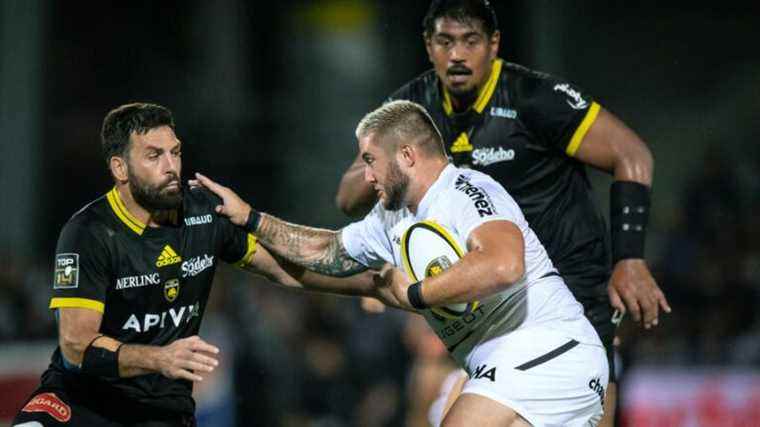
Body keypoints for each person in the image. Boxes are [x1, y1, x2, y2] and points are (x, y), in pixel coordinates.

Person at [334, 1, 671, 424]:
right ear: (428, 46)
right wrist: (377, 160)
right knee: (426, 382)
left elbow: (631, 154)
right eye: (445, 41)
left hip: (568, 288)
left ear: (493, 44)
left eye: (470, 41)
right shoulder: (413, 109)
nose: (457, 55)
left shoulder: (534, 98)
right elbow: (348, 200)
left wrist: (630, 258)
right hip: (478, 287)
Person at [195, 100, 610, 426]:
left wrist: (415, 293)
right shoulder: (390, 217)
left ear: (408, 155)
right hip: (523, 363)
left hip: (548, 349)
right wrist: (251, 221)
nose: (366, 177)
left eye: (370, 161)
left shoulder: (465, 191)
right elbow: (328, 254)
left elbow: (504, 265)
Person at [11, 102, 381, 427]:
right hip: (81, 404)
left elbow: (283, 268)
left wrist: (367, 284)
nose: (172, 166)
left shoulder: (204, 211)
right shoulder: (88, 233)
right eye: (154, 156)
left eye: (176, 152)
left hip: (159, 412)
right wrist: (159, 358)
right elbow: (76, 347)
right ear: (120, 168)